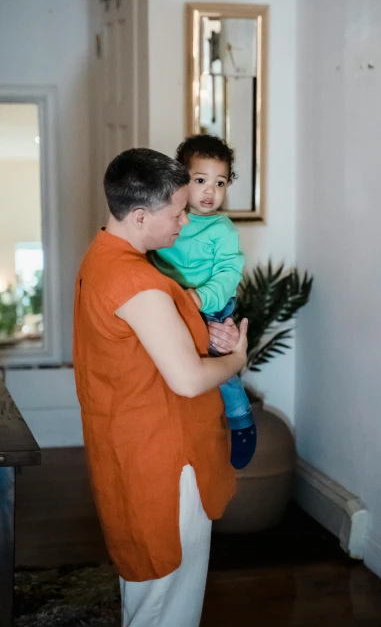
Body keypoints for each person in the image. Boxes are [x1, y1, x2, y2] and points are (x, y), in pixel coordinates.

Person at [73, 147, 247, 627]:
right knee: (166, 603)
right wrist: (237, 358)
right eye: (177, 212)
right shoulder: (137, 281)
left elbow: (153, 347)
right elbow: (188, 380)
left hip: (131, 446)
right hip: (164, 458)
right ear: (141, 215)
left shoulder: (103, 257)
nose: (185, 223)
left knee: (150, 595)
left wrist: (209, 333)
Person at [149, 134, 256, 470]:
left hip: (210, 306)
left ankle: (241, 420)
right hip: (173, 304)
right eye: (200, 180)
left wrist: (199, 297)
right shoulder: (165, 217)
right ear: (181, 180)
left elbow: (228, 274)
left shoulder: (221, 229)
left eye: (220, 183)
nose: (211, 192)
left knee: (217, 365)